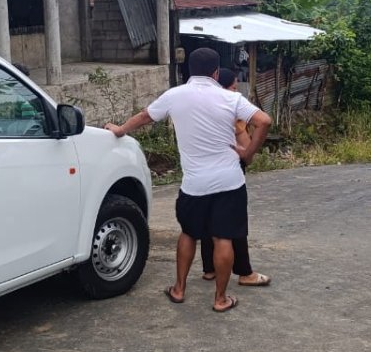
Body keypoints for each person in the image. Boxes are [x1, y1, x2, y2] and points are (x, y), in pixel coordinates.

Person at [105, 48, 272, 313]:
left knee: (188, 234)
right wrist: (248, 153)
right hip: (229, 181)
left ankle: (179, 289)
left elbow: (145, 116)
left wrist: (120, 129)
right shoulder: (231, 98)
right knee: (223, 238)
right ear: (216, 72)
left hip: (194, 184)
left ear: (188, 71)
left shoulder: (175, 95)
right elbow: (264, 120)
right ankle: (220, 299)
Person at [200, 68, 271, 288]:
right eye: (232, 87)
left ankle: (210, 269)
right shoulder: (232, 110)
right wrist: (244, 140)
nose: (235, 92)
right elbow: (247, 152)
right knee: (235, 223)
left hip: (202, 171)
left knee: (207, 220)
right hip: (229, 173)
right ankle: (245, 272)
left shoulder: (200, 109)